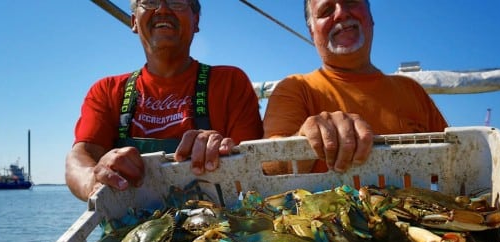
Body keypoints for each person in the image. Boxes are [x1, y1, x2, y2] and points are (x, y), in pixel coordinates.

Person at [66, 0, 263, 201]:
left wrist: (220, 151)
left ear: (196, 21)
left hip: (220, 227)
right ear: (134, 22)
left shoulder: (230, 82)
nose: (162, 9)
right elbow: (80, 156)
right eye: (149, 1)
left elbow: (253, 171)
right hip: (131, 230)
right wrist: (94, 180)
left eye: (176, 2)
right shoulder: (107, 90)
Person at [262, 0, 447, 175]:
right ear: (312, 31)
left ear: (370, 16)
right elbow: (267, 168)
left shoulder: (412, 91)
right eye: (326, 10)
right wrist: (302, 142)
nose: (341, 13)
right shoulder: (295, 89)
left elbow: (452, 159)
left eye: (350, 2)